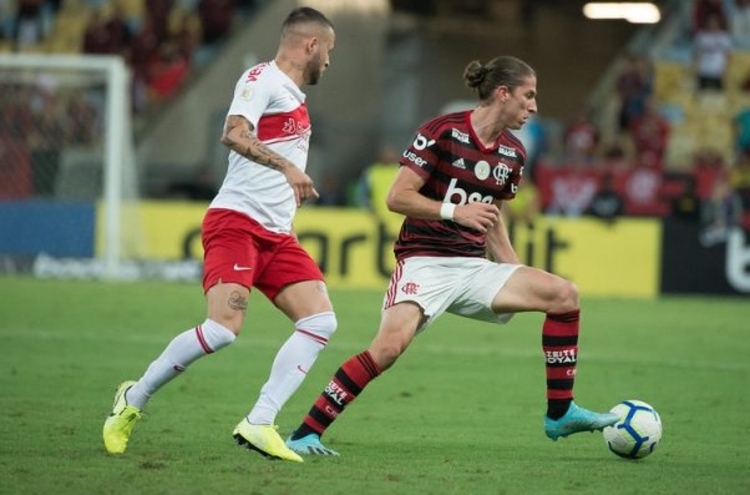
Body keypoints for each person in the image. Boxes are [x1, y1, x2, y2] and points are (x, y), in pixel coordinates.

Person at [284, 55, 620, 457]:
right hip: (424, 262)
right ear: (502, 93)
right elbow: (398, 197)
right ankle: (306, 433)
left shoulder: (512, 153)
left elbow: (491, 220)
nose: (533, 106)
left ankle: (560, 413)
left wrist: (513, 273)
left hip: (473, 267)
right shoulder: (442, 132)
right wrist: (454, 211)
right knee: (388, 348)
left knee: (565, 295)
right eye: (528, 96)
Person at [102, 7, 337, 463]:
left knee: (321, 321)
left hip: (276, 234)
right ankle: (134, 398)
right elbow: (233, 134)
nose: (329, 60)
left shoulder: (293, 94)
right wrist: (289, 167)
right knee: (224, 330)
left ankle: (259, 422)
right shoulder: (260, 78)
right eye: (329, 50)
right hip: (236, 223)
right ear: (311, 44)